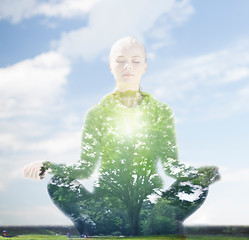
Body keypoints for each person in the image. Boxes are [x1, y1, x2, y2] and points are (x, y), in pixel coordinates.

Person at [24, 36, 220, 236]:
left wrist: (199, 175)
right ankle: (104, 224)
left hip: (149, 196)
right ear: (111, 67)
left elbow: (171, 165)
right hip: (108, 199)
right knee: (59, 183)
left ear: (144, 67)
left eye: (135, 61)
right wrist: (49, 166)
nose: (128, 66)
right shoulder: (97, 114)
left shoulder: (161, 111)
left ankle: (143, 223)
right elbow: (84, 167)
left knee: (192, 187)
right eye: (120, 61)